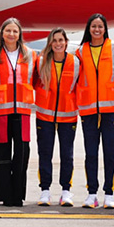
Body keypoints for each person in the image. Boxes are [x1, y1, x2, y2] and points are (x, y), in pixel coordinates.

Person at [75, 13, 114, 209]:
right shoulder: (80, 51)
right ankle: (91, 193)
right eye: (93, 26)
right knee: (90, 153)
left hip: (111, 109)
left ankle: (109, 193)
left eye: (100, 26)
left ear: (105, 29)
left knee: (110, 152)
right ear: (89, 29)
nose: (97, 30)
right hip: (88, 110)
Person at [0, 17, 37, 207]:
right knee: (1, 155)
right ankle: (3, 194)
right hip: (1, 110)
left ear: (20, 34)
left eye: (14, 31)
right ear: (2, 33)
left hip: (23, 111)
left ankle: (17, 194)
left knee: (22, 153)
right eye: (7, 30)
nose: (11, 34)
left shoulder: (30, 54)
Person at [34, 28, 80, 207]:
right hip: (45, 115)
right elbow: (35, 82)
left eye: (61, 40)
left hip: (68, 116)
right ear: (50, 44)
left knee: (66, 155)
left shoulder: (75, 63)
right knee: (45, 153)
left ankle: (66, 191)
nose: (58, 44)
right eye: (54, 41)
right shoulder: (41, 62)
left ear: (66, 42)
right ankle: (45, 190)